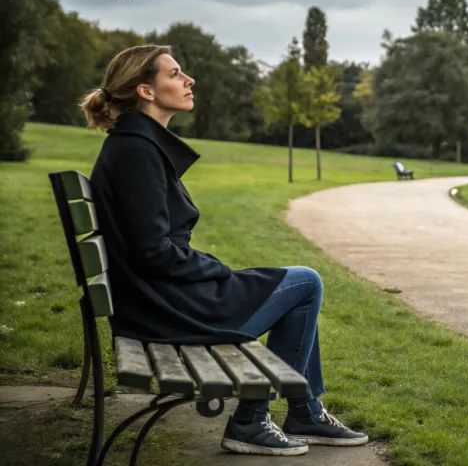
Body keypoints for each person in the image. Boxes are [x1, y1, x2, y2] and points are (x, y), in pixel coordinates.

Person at [80, 45, 367, 457]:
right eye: (176, 74)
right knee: (305, 282)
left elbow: (153, 249)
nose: (188, 80)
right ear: (145, 90)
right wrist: (215, 270)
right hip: (165, 309)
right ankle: (255, 418)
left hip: (155, 298)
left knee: (297, 285)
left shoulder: (134, 145)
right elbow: (154, 251)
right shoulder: (136, 152)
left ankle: (303, 410)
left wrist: (213, 271)